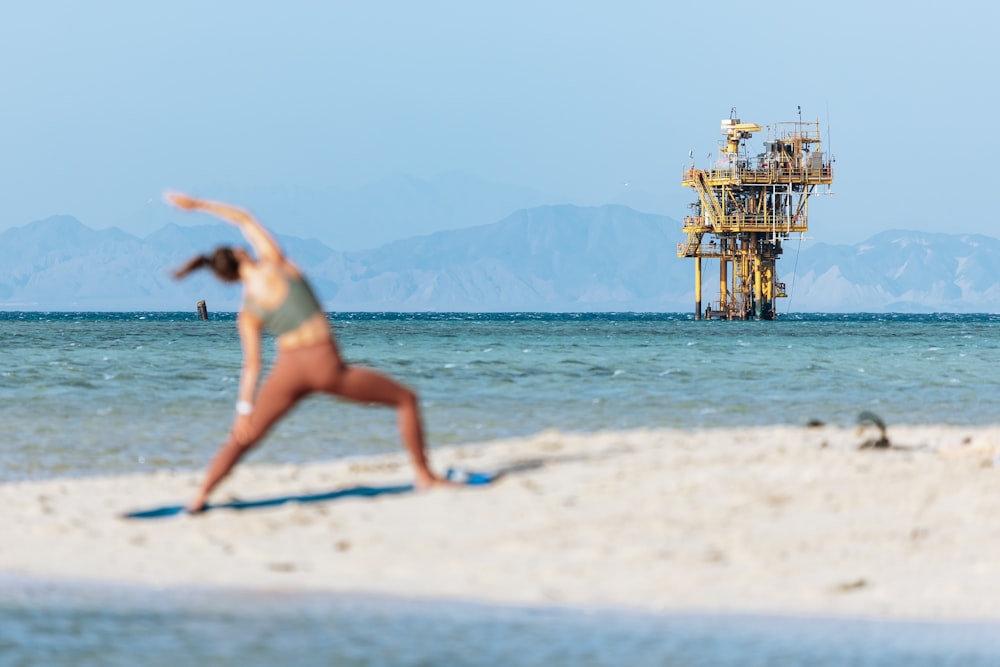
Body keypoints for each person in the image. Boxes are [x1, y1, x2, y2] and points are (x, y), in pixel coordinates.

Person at [166, 191, 449, 511]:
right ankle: (424, 476)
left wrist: (244, 410)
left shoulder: (248, 311)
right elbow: (243, 217)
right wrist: (198, 205)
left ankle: (200, 495)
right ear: (240, 254)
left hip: (288, 372)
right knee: (405, 399)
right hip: (325, 364)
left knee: (244, 438)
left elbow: (253, 365)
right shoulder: (277, 265)